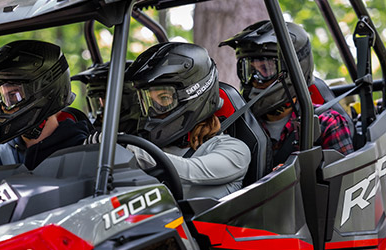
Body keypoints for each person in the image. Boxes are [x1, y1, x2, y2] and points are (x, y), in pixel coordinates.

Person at [125, 42, 251, 199]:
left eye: (164, 98)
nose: (152, 110)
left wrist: (127, 149)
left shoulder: (235, 151)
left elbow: (189, 170)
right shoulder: (153, 148)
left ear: (193, 95)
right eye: (148, 101)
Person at [219, 20, 354, 167]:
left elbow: (346, 181)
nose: (255, 80)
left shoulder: (326, 124)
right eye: (249, 71)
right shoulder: (240, 126)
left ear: (293, 70)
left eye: (265, 69)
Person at [0, 40, 90, 170]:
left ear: (46, 93)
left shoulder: (85, 152)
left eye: (13, 95)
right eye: (0, 96)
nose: (3, 106)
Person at [71, 61, 140, 134]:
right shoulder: (94, 132)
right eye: (96, 101)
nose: (101, 108)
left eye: (105, 99)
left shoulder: (143, 134)